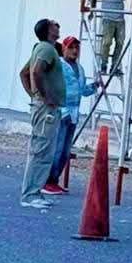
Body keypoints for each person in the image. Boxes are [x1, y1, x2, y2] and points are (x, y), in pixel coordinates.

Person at [18, 17, 67, 209]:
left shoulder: (42, 48)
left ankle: (33, 191)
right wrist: (44, 96)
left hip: (42, 106)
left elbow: (24, 73)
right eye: (55, 24)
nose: (58, 26)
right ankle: (30, 195)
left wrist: (33, 95)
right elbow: (36, 72)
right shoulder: (47, 49)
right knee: (42, 151)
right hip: (46, 108)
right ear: (48, 30)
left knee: (42, 148)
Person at [42, 36, 96, 195]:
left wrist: (95, 86)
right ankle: (47, 180)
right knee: (57, 149)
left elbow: (82, 91)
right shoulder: (59, 66)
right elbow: (52, 87)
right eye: (71, 47)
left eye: (76, 48)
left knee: (65, 151)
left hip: (73, 115)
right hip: (62, 112)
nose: (74, 51)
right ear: (64, 48)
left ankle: (54, 180)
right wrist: (60, 109)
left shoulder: (80, 69)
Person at [91, 0, 128, 78]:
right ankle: (104, 65)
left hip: (120, 19)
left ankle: (115, 66)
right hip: (108, 18)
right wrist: (92, 13)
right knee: (107, 42)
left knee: (120, 43)